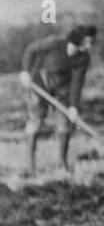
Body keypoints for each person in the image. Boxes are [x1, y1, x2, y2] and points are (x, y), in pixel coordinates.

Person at [19, 25, 97, 175]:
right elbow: (31, 50)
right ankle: (31, 166)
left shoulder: (83, 58)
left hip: (62, 91)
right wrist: (26, 71)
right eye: (88, 42)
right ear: (78, 40)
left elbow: (76, 83)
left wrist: (73, 107)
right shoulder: (55, 43)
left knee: (65, 124)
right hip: (39, 84)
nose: (90, 46)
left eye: (92, 42)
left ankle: (62, 164)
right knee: (36, 122)